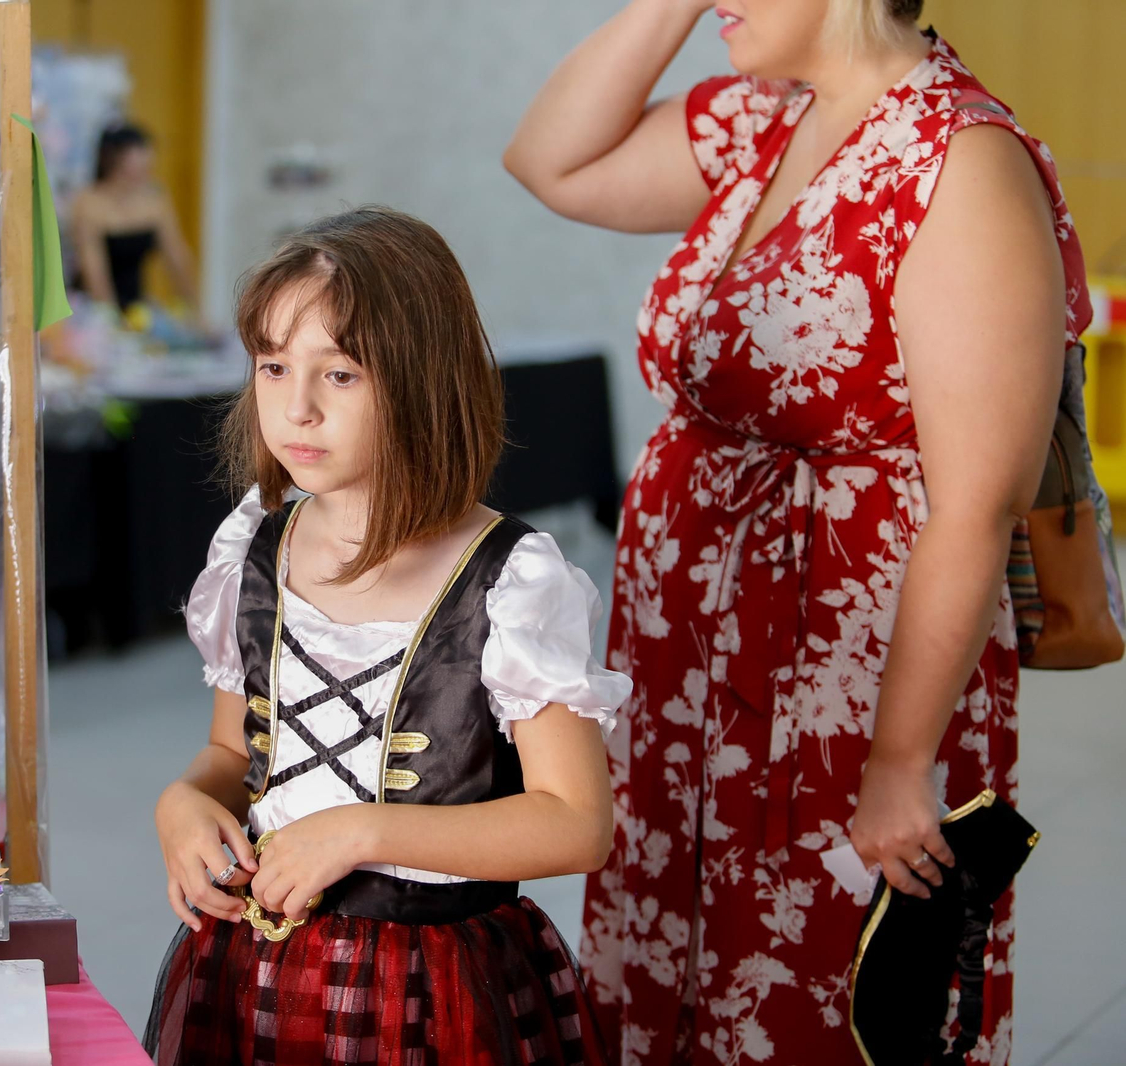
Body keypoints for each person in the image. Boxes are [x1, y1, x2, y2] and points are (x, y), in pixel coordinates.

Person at [505, 1, 1090, 1062]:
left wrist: (900, 760)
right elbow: (550, 160)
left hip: (846, 677)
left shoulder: (959, 161)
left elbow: (975, 501)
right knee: (674, 953)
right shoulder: (767, 117)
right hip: (690, 662)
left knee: (817, 978)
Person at [145, 206, 633, 1065]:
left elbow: (576, 824)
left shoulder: (510, 579)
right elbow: (230, 756)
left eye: (339, 375)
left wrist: (365, 829)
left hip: (434, 991)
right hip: (255, 972)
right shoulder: (253, 549)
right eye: (272, 366)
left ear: (421, 380)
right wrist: (183, 804)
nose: (295, 408)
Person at [71, 122, 199, 314]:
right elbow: (94, 275)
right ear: (112, 160)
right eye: (136, 156)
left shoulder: (154, 199)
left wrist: (196, 311)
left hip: (137, 307)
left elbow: (178, 258)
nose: (146, 163)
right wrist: (112, 322)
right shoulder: (88, 204)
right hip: (92, 309)